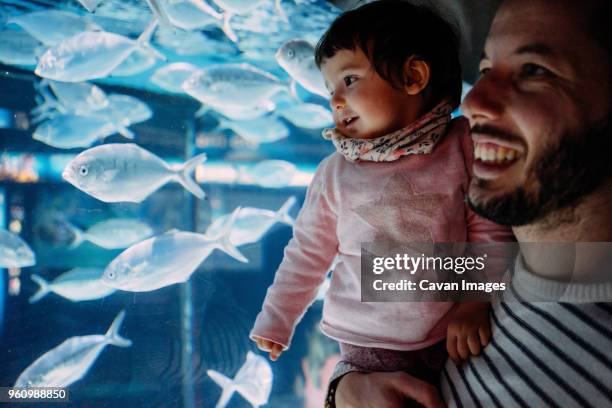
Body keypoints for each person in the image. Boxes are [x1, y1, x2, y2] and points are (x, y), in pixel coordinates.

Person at [330, 0, 612, 406]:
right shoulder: (498, 256)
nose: (475, 101)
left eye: (533, 70)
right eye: (484, 71)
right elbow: (372, 282)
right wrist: (347, 389)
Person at [249, 0, 512, 392]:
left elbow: (488, 228)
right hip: (367, 347)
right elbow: (307, 254)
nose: (335, 100)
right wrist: (277, 317)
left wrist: (476, 302)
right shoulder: (335, 173)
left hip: (450, 335)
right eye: (330, 89)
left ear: (413, 75)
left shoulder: (462, 148)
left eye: (350, 80)